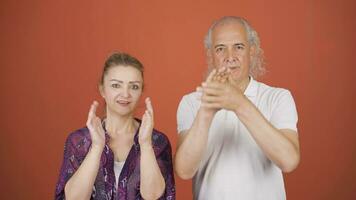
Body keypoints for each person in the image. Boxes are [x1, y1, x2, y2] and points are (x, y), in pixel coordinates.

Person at [175, 16, 300, 200]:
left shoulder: (278, 98)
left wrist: (239, 103)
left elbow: (289, 161)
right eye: (220, 49)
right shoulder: (191, 102)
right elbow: (184, 171)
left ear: (252, 51)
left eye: (238, 47)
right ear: (211, 55)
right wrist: (206, 111)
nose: (230, 57)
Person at [55, 52, 175, 200]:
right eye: (116, 85)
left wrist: (146, 145)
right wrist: (97, 147)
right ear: (102, 90)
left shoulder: (157, 141)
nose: (125, 94)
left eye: (134, 87)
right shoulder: (79, 141)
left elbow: (154, 195)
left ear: (141, 91)